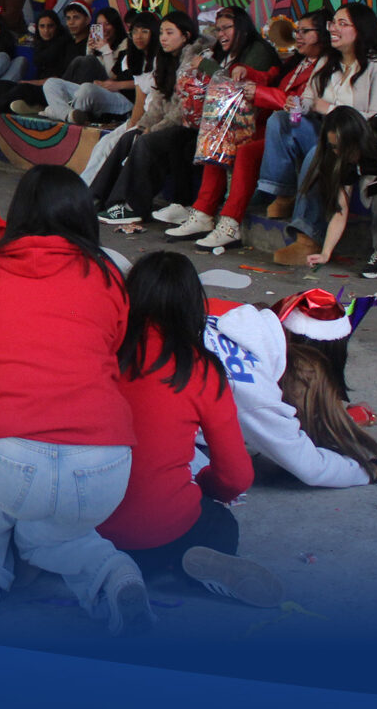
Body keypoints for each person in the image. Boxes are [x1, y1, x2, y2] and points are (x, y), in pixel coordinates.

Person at [0, 166, 151, 632]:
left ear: (18, 213)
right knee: (51, 532)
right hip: (103, 466)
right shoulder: (109, 275)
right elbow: (114, 345)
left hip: (6, 460)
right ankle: (112, 572)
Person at [99, 252, 281, 608]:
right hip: (165, 532)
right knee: (219, 523)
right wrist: (201, 486)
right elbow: (236, 476)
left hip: (87, 528)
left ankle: (110, 572)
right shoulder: (200, 369)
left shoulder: (97, 354)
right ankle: (183, 571)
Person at [166, 10, 332, 249]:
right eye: (298, 31)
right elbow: (272, 78)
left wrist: (260, 93)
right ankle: (203, 212)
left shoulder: (325, 66)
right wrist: (247, 72)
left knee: (243, 150)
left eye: (305, 31)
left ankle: (230, 222)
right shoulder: (299, 61)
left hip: (291, 133)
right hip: (270, 127)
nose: (298, 36)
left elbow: (297, 109)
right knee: (219, 136)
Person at [202, 291, 377, 486]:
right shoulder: (253, 388)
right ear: (308, 369)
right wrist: (376, 470)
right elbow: (311, 467)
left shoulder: (241, 320)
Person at [252, 3, 377, 233]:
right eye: (333, 23)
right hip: (323, 131)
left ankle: (307, 232)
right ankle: (282, 193)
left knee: (318, 152)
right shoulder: (328, 59)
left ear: (361, 29)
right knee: (279, 120)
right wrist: (298, 104)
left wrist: (330, 109)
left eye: (342, 23)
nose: (333, 29)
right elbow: (310, 99)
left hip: (356, 140)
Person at [95, 10, 207, 225]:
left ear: (186, 36)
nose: (163, 38)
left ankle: (132, 206)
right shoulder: (165, 59)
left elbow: (183, 109)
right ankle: (98, 197)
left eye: (169, 33)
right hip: (171, 122)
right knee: (129, 136)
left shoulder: (194, 62)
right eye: (162, 32)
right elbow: (158, 99)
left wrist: (153, 129)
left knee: (146, 141)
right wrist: (143, 125)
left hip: (190, 125)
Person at [277, 106, 377, 272]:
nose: (338, 152)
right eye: (333, 146)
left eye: (344, 146)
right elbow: (340, 209)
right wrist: (325, 253)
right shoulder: (345, 163)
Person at [43, 9, 158, 124]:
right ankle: (68, 114)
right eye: (135, 32)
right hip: (106, 91)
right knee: (51, 83)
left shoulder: (154, 57)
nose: (138, 36)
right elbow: (113, 76)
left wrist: (118, 84)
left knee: (86, 88)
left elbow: (145, 84)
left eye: (144, 31)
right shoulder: (129, 55)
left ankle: (57, 111)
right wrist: (102, 82)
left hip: (125, 100)